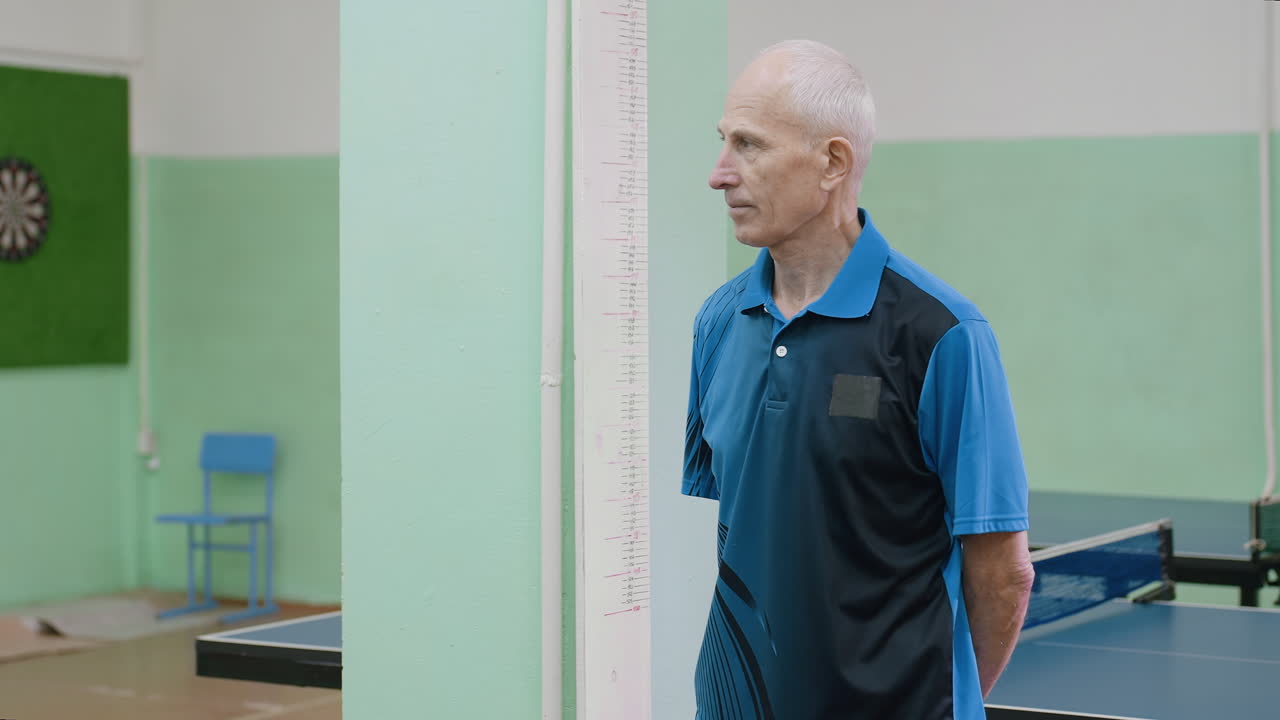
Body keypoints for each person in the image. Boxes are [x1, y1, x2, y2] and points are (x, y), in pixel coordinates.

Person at [682, 39, 1035, 720]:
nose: (719, 174)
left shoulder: (944, 335)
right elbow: (759, 525)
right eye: (724, 142)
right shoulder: (718, 322)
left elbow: (1005, 573)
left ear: (832, 163)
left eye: (748, 146)